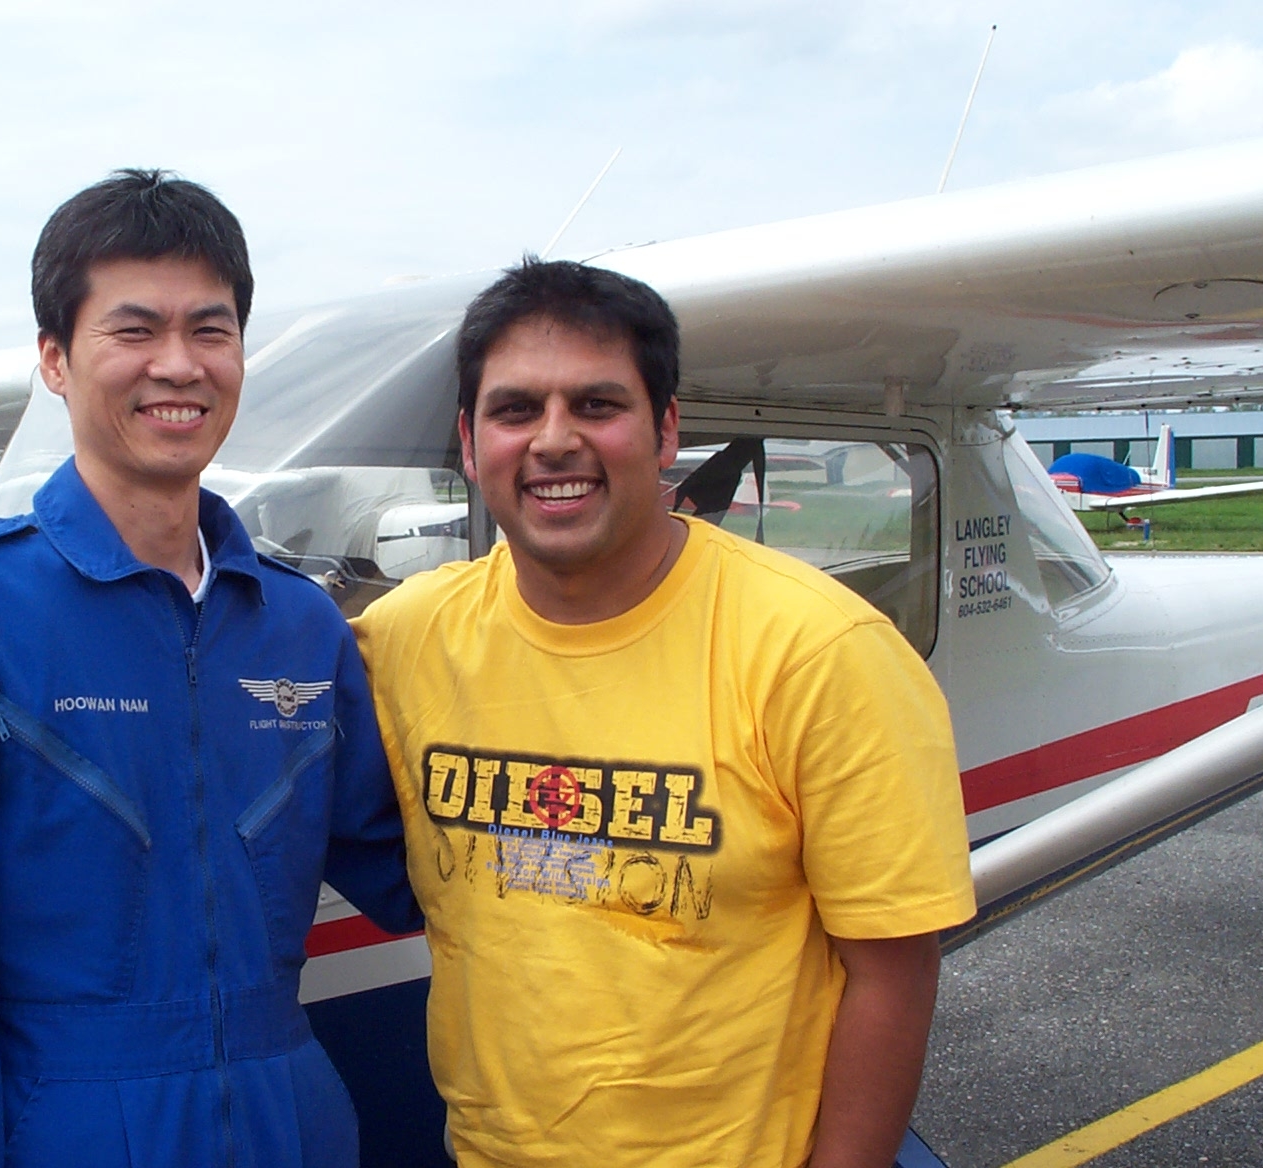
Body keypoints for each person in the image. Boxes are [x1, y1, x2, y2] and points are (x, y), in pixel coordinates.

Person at [0, 169, 418, 1168]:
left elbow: (423, 872)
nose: (177, 365)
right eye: (133, 331)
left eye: (209, 330)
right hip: (67, 1128)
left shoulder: (299, 626)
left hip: (291, 1119)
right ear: (54, 358)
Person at [352, 258, 976, 1168]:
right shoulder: (404, 638)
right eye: (516, 409)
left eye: (597, 406)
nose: (554, 441)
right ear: (469, 436)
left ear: (667, 429)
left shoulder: (820, 649)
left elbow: (892, 972)